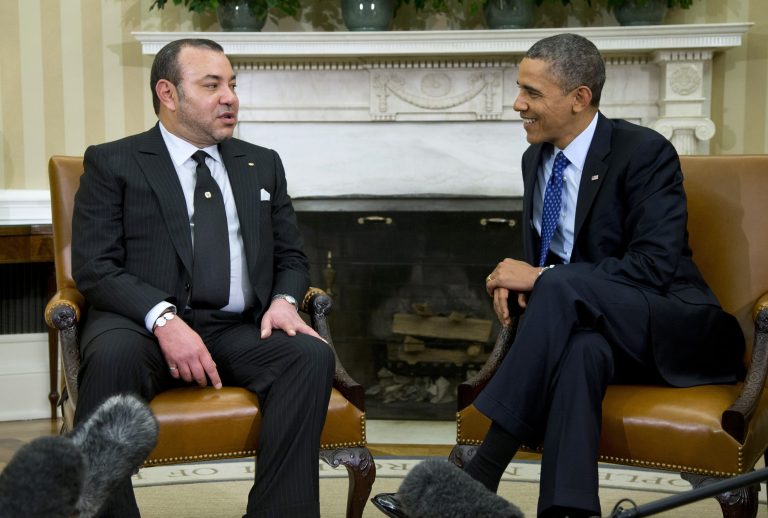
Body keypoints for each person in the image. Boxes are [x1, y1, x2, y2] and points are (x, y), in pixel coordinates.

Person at [372, 33, 745, 518]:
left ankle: (480, 471)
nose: (517, 104)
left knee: (559, 282)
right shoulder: (536, 159)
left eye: (532, 92)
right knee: (580, 352)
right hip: (593, 333)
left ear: (579, 98)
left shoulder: (644, 153)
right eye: (519, 89)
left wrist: (543, 277)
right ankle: (569, 511)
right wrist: (526, 279)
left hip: (671, 326)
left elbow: (654, 265)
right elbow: (553, 270)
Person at [71, 38, 335, 518]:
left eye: (232, 84)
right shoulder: (114, 162)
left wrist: (284, 301)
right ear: (168, 93)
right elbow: (94, 266)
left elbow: (292, 257)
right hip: (141, 328)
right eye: (212, 85)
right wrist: (164, 319)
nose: (230, 97)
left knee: (309, 355)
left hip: (236, 329)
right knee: (110, 356)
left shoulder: (262, 163)